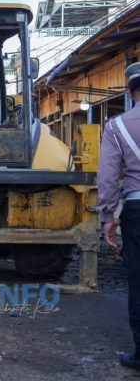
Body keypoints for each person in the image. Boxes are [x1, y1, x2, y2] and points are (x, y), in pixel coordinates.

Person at [98, 62, 140, 370]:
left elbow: (109, 179)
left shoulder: (117, 127)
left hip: (137, 209)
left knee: (138, 282)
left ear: (129, 91)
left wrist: (108, 218)